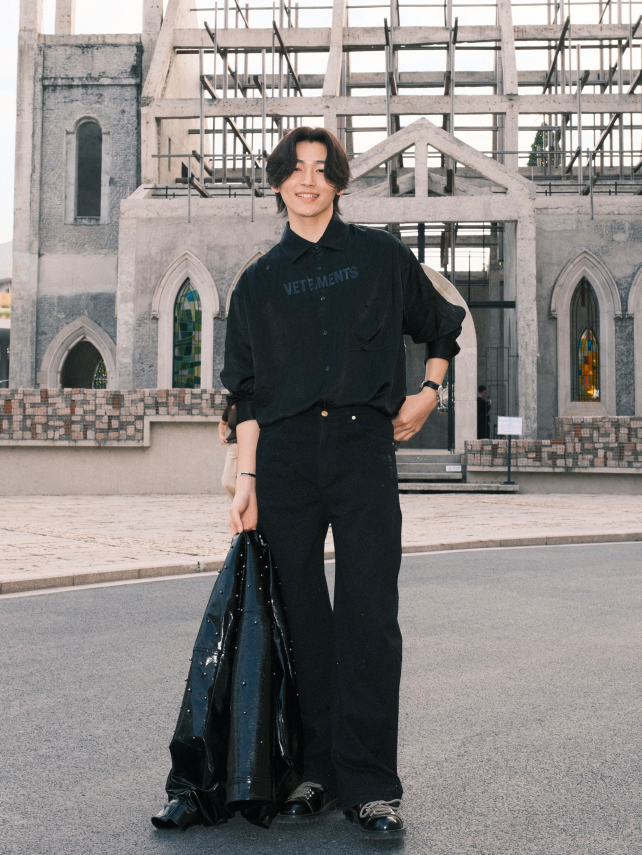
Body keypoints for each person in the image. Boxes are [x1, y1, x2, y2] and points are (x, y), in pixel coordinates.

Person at [221, 126, 464, 841]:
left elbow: (442, 326)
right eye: (296, 169)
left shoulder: (380, 258)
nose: (308, 180)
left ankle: (372, 786)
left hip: (363, 450)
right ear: (277, 182)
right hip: (286, 459)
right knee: (301, 617)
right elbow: (245, 396)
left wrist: (429, 393)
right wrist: (246, 480)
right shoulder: (258, 283)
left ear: (338, 182)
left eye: (322, 169)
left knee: (369, 616)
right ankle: (315, 773)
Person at [219, 401, 238, 499]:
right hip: (233, 447)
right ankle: (239, 504)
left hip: (251, 447)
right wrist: (221, 435)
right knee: (227, 482)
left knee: (248, 483)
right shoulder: (231, 405)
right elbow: (223, 423)